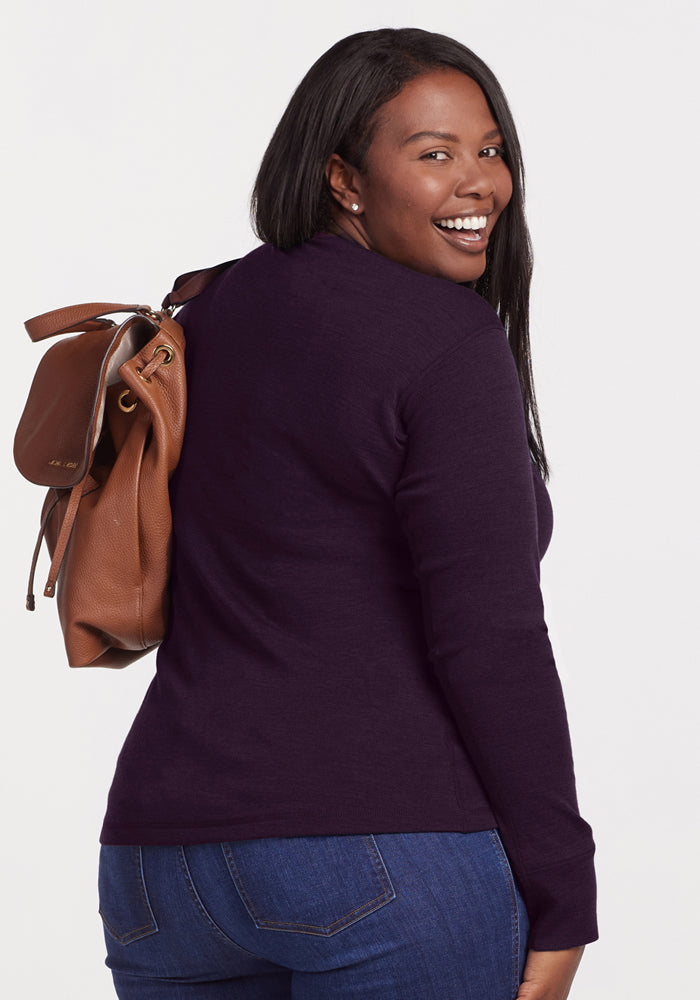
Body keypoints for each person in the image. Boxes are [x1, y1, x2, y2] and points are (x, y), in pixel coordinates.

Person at [97, 27, 598, 1000]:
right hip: (378, 856)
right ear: (344, 180)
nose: (479, 183)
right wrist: (562, 886)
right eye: (434, 153)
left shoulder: (202, 317)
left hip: (162, 867)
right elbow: (488, 635)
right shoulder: (442, 339)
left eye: (489, 150)